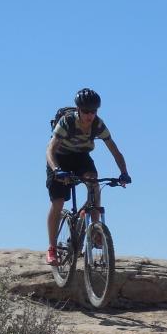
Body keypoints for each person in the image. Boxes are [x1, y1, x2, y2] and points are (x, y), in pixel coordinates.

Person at [45, 88, 131, 265]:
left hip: (81, 157)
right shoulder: (67, 121)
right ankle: (52, 248)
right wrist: (56, 169)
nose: (90, 115)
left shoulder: (98, 125)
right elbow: (50, 149)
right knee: (58, 202)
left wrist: (124, 173)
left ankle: (95, 230)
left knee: (93, 183)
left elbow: (115, 151)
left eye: (94, 111)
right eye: (86, 111)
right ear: (78, 109)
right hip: (59, 158)